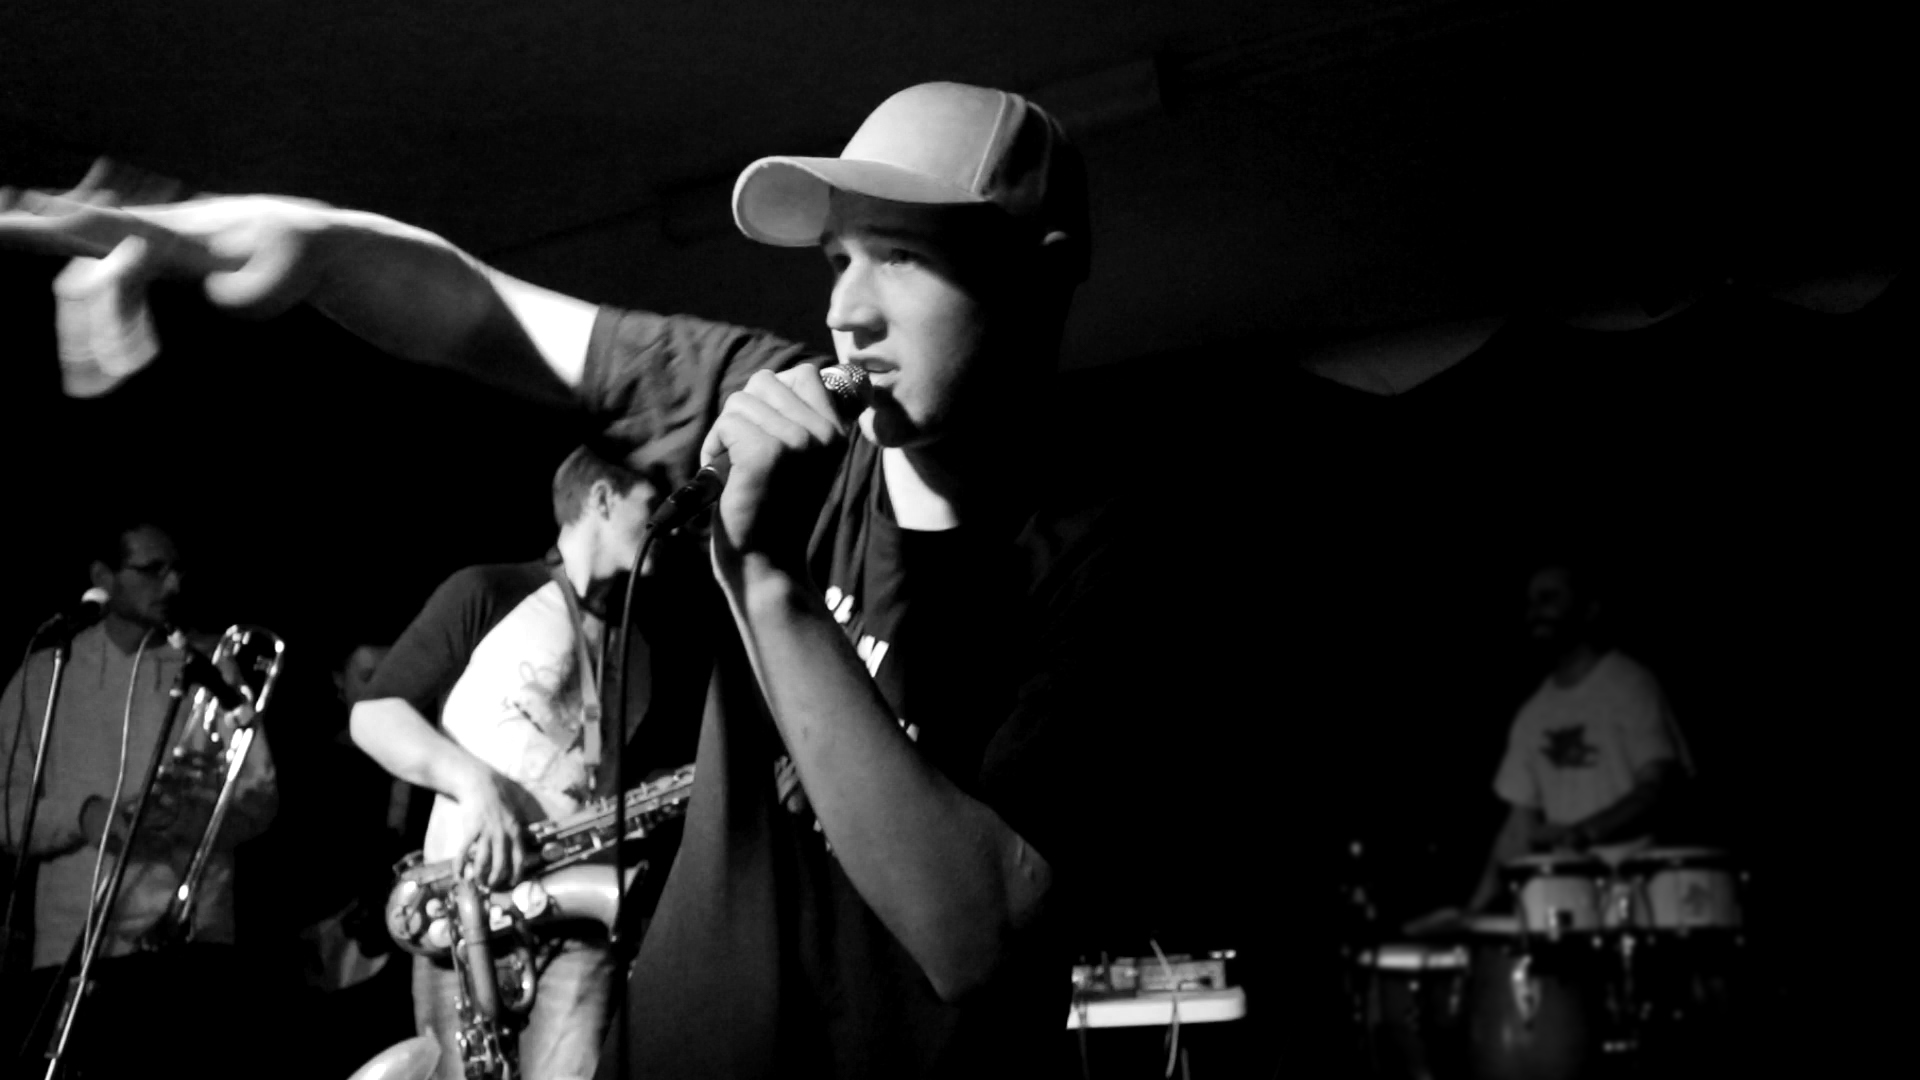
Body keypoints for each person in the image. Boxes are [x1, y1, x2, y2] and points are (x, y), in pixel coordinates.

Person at [8, 81, 1165, 1078]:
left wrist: (765, 584)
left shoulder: (1112, 559)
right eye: (837, 259)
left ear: (1043, 272)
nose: (844, 310)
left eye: (901, 256)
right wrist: (317, 242)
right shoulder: (772, 391)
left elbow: (978, 936)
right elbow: (487, 312)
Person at [348, 445, 670, 1080]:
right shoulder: (488, 591)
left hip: (579, 919)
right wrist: (476, 786)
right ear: (602, 498)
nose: (669, 523)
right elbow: (372, 715)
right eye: (653, 504)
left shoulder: (638, 641)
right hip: (468, 910)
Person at [0, 520, 278, 1075]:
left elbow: (261, 798)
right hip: (73, 943)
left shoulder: (212, 669)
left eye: (178, 570)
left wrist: (195, 815)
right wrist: (85, 816)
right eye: (152, 570)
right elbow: (6, 813)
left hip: (190, 943)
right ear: (103, 576)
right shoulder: (46, 674)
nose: (173, 584)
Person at [1414, 556, 1693, 930]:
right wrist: (1472, 913)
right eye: (1530, 602)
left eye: (1549, 598)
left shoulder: (1631, 684)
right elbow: (1518, 829)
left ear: (1589, 610)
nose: (1534, 612)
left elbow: (1658, 789)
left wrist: (1581, 833)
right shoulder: (1533, 713)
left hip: (1638, 901)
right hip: (1570, 906)